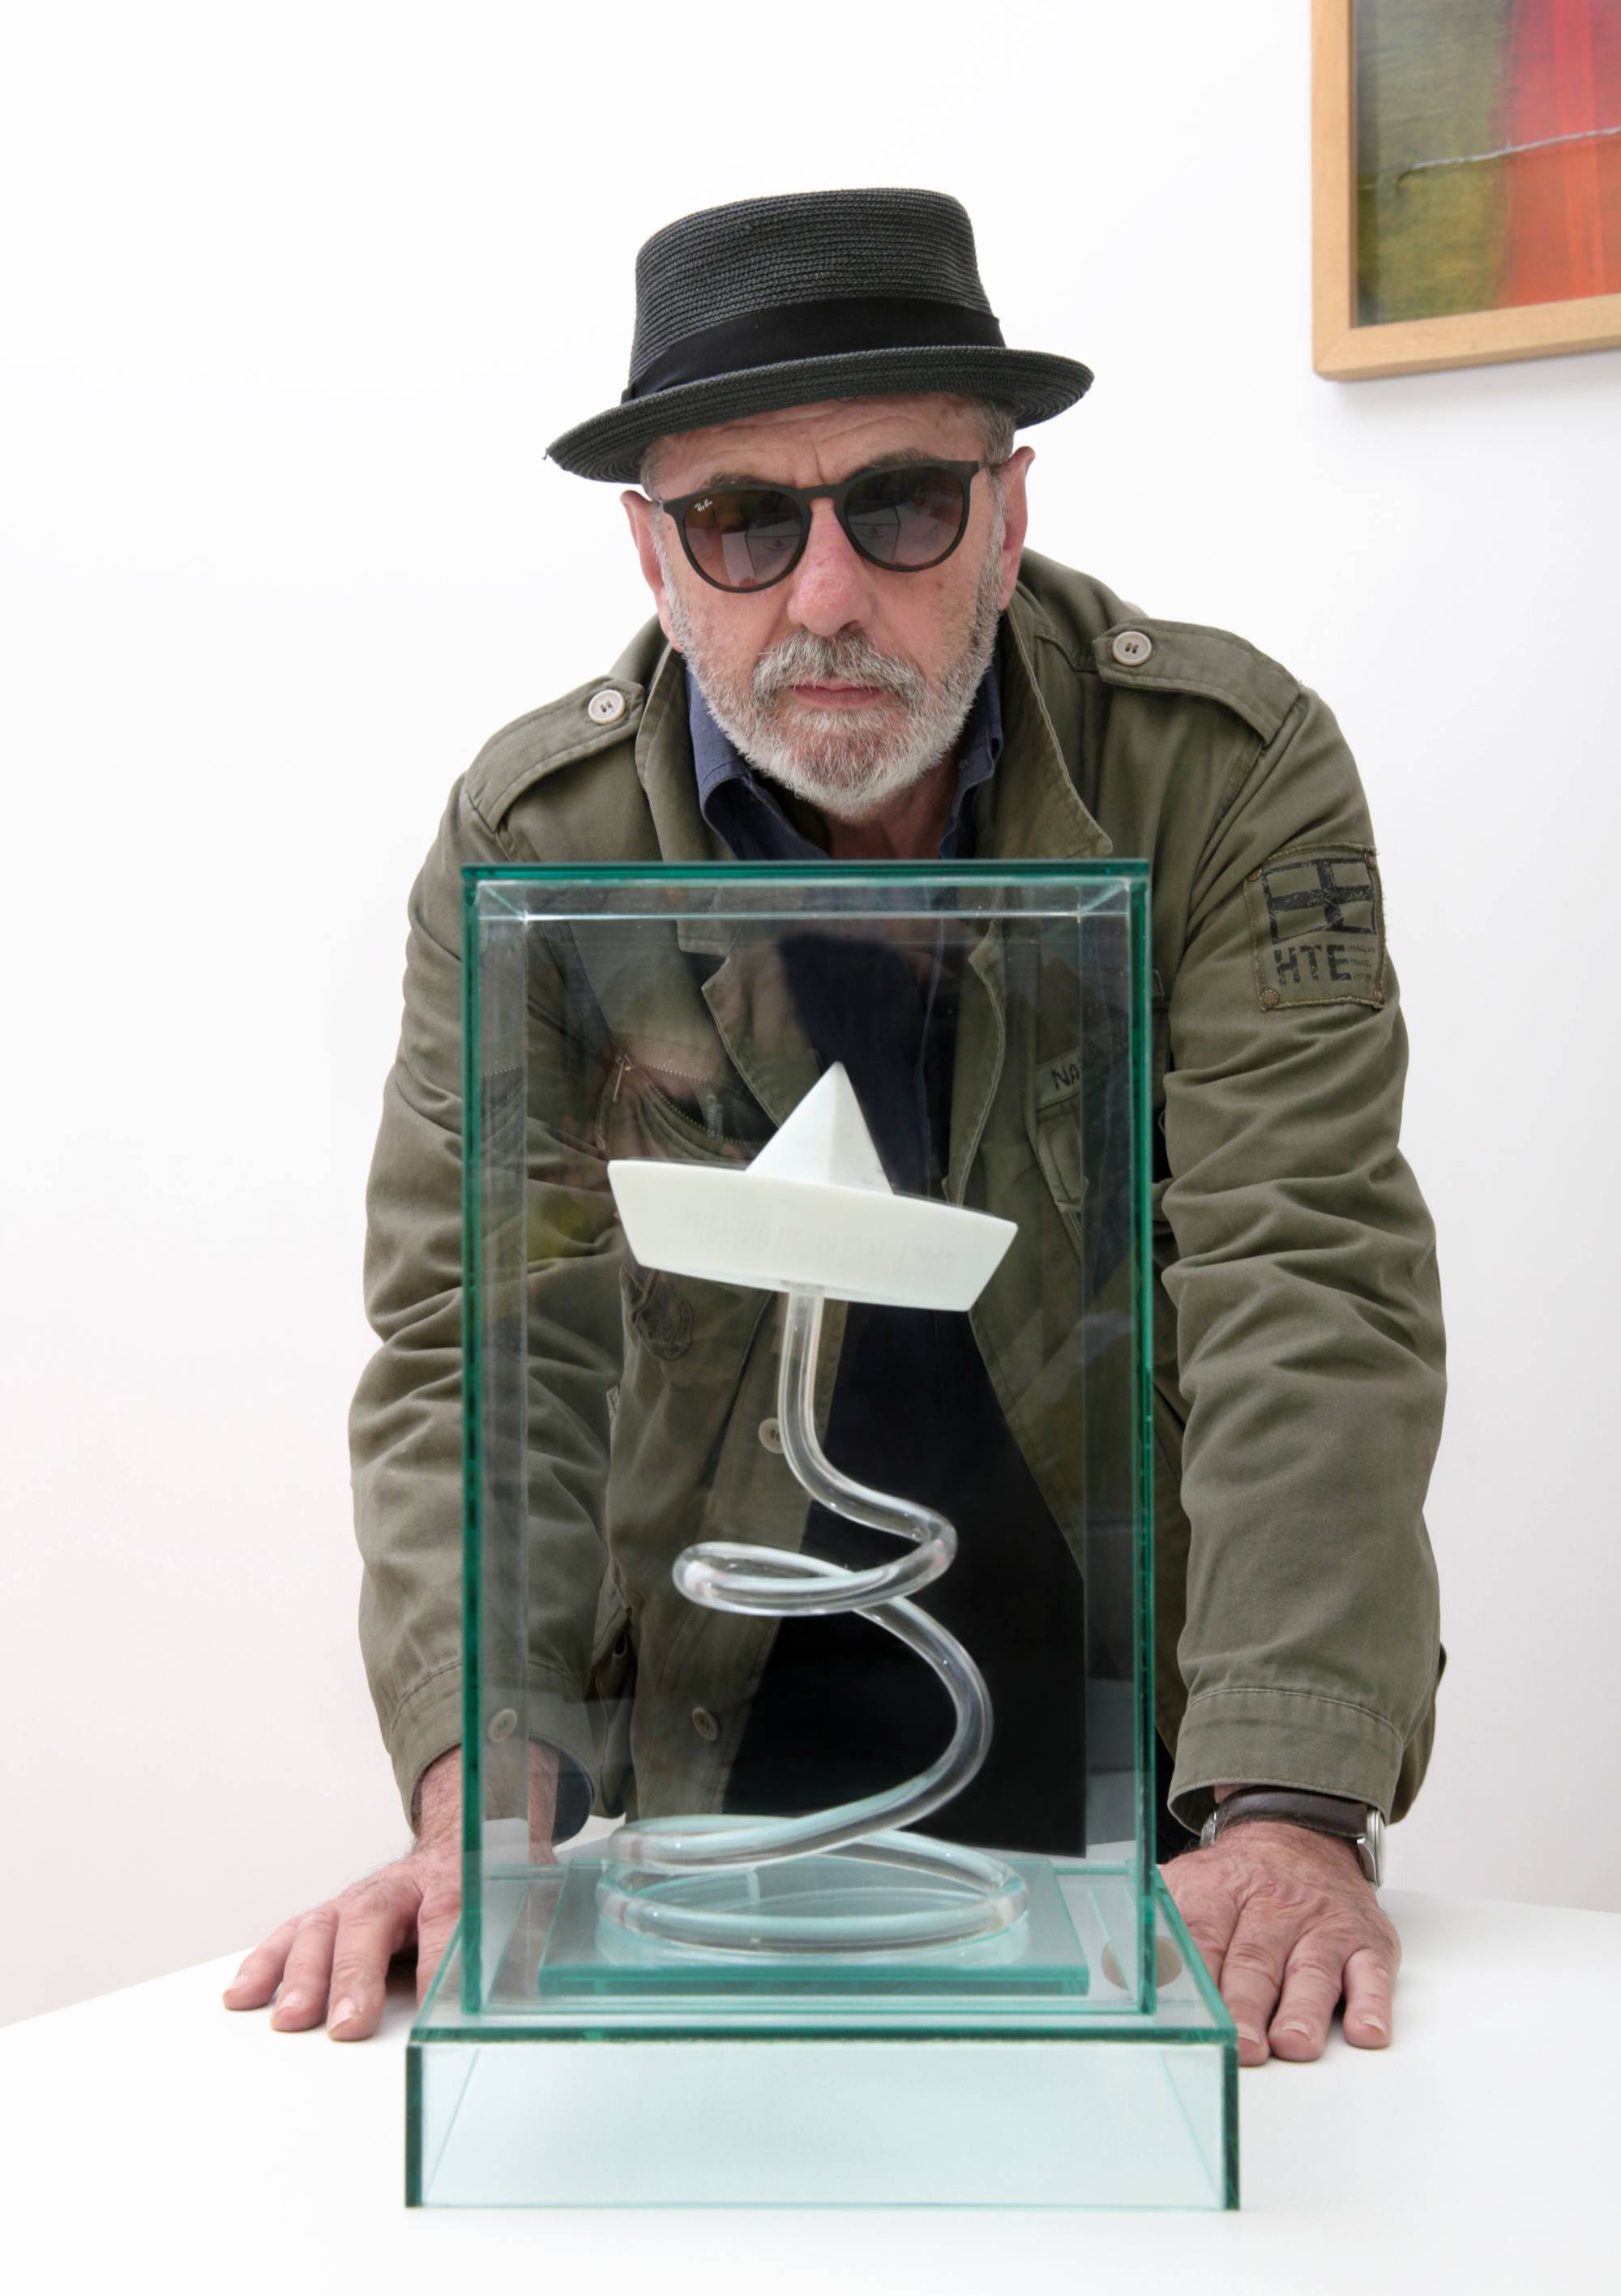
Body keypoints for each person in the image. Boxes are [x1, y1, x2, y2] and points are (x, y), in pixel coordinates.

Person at [223, 188, 1444, 2069]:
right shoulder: (534, 843)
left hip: (1154, 1789)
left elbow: (1306, 1268)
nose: (823, 597)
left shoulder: (1220, 771)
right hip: (705, 1805)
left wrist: (1286, 1807)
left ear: (1007, 516)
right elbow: (483, 1346)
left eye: (900, 505)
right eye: (740, 521)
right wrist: (486, 1805)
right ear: (654, 556)